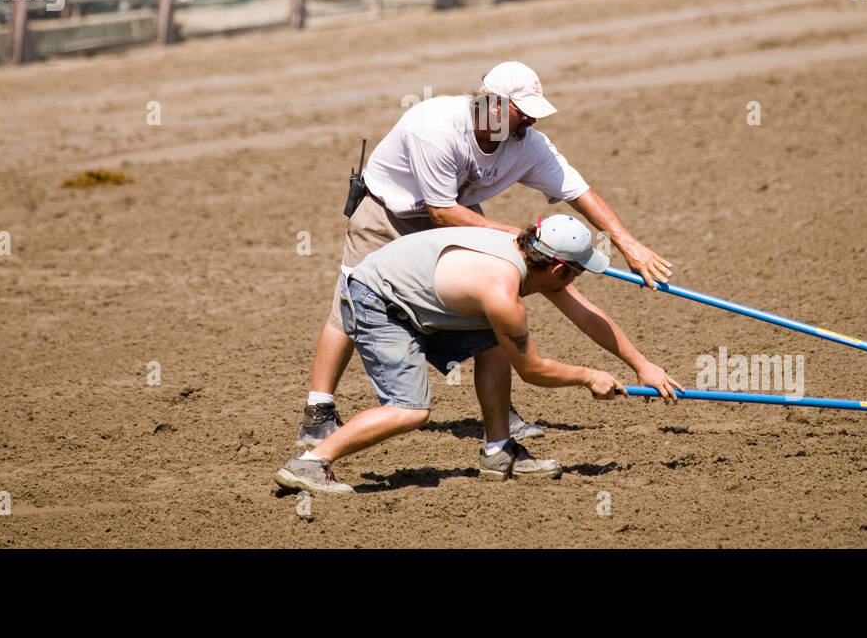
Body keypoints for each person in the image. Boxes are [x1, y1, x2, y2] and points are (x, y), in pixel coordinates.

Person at [293, 61, 675, 449]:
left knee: (490, 317)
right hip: (390, 213)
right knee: (351, 301)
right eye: (521, 111)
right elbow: (441, 212)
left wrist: (629, 244)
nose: (530, 121)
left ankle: (498, 418)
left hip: (458, 212)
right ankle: (318, 413)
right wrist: (526, 241)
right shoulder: (435, 125)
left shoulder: (527, 144)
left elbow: (578, 191)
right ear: (491, 104)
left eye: (533, 112)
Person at [275, 215, 682, 494]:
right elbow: (534, 370)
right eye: (577, 272)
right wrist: (589, 376)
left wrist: (641, 365)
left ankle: (499, 450)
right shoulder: (502, 292)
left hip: (413, 290)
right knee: (409, 409)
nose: (576, 281)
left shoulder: (527, 252)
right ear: (560, 270)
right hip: (377, 298)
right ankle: (311, 462)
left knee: (494, 343)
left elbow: (587, 316)